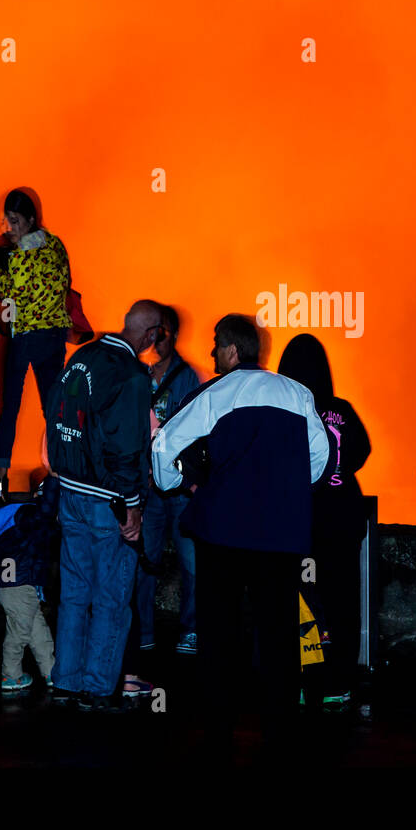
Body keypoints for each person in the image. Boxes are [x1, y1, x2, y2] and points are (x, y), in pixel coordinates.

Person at [151, 315, 330, 761]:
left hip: (224, 533)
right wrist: (284, 490)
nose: (212, 356)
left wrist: (176, 483)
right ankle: (280, 730)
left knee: (220, 634)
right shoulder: (296, 393)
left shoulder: (218, 392)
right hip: (280, 535)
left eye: (215, 347)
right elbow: (321, 457)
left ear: (232, 351)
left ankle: (220, 729)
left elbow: (164, 444)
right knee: (278, 635)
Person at [46, 301, 161, 712]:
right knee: (111, 598)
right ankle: (97, 690)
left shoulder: (84, 356)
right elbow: (127, 447)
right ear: (151, 337)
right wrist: (131, 507)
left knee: (75, 593)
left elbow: (54, 414)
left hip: (70, 492)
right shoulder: (131, 375)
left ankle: (66, 682)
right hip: (106, 499)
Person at [277, 333, 371, 712]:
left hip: (298, 525)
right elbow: (362, 451)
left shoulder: (282, 409)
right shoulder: (341, 408)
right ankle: (339, 684)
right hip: (342, 522)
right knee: (342, 605)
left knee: (295, 606)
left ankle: (299, 683)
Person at [0, 188, 72, 495]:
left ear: (30, 219)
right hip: (54, 335)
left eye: (15, 220)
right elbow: (66, 284)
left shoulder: (11, 254)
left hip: (22, 337)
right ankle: (61, 474)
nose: (11, 227)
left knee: (9, 406)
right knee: (53, 408)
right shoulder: (56, 245)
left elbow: (8, 300)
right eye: (7, 221)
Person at [130, 304, 203, 662]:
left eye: (160, 331)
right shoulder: (136, 373)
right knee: (146, 560)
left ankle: (189, 630)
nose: (155, 338)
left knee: (192, 564)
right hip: (148, 488)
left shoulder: (187, 377)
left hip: (178, 487)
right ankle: (144, 631)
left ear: (170, 333)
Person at [0, 486, 58, 692]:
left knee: (37, 631)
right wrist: (53, 488)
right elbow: (46, 521)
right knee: (19, 632)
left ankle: (51, 672)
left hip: (12, 585)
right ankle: (11, 676)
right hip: (21, 584)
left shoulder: (5, 524)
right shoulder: (27, 515)